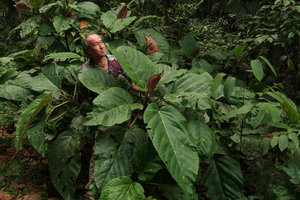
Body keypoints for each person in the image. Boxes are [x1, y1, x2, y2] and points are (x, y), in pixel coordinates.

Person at [80, 33, 144, 93]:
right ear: (89, 50)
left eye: (101, 42)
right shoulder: (85, 70)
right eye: (96, 44)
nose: (101, 46)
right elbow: (83, 95)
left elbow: (132, 83)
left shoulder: (118, 60)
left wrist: (146, 90)